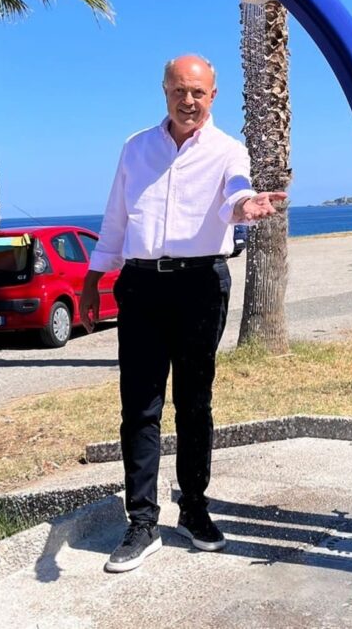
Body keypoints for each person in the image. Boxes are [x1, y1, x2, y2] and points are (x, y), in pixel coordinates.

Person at [79, 53, 286, 574]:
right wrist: (92, 278)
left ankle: (194, 509)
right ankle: (142, 522)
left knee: (195, 402)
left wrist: (245, 206)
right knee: (140, 406)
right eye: (179, 90)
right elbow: (115, 217)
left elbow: (235, 189)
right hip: (141, 285)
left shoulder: (228, 149)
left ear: (212, 95)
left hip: (200, 285)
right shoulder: (136, 148)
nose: (188, 100)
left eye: (197, 92)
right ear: (165, 91)